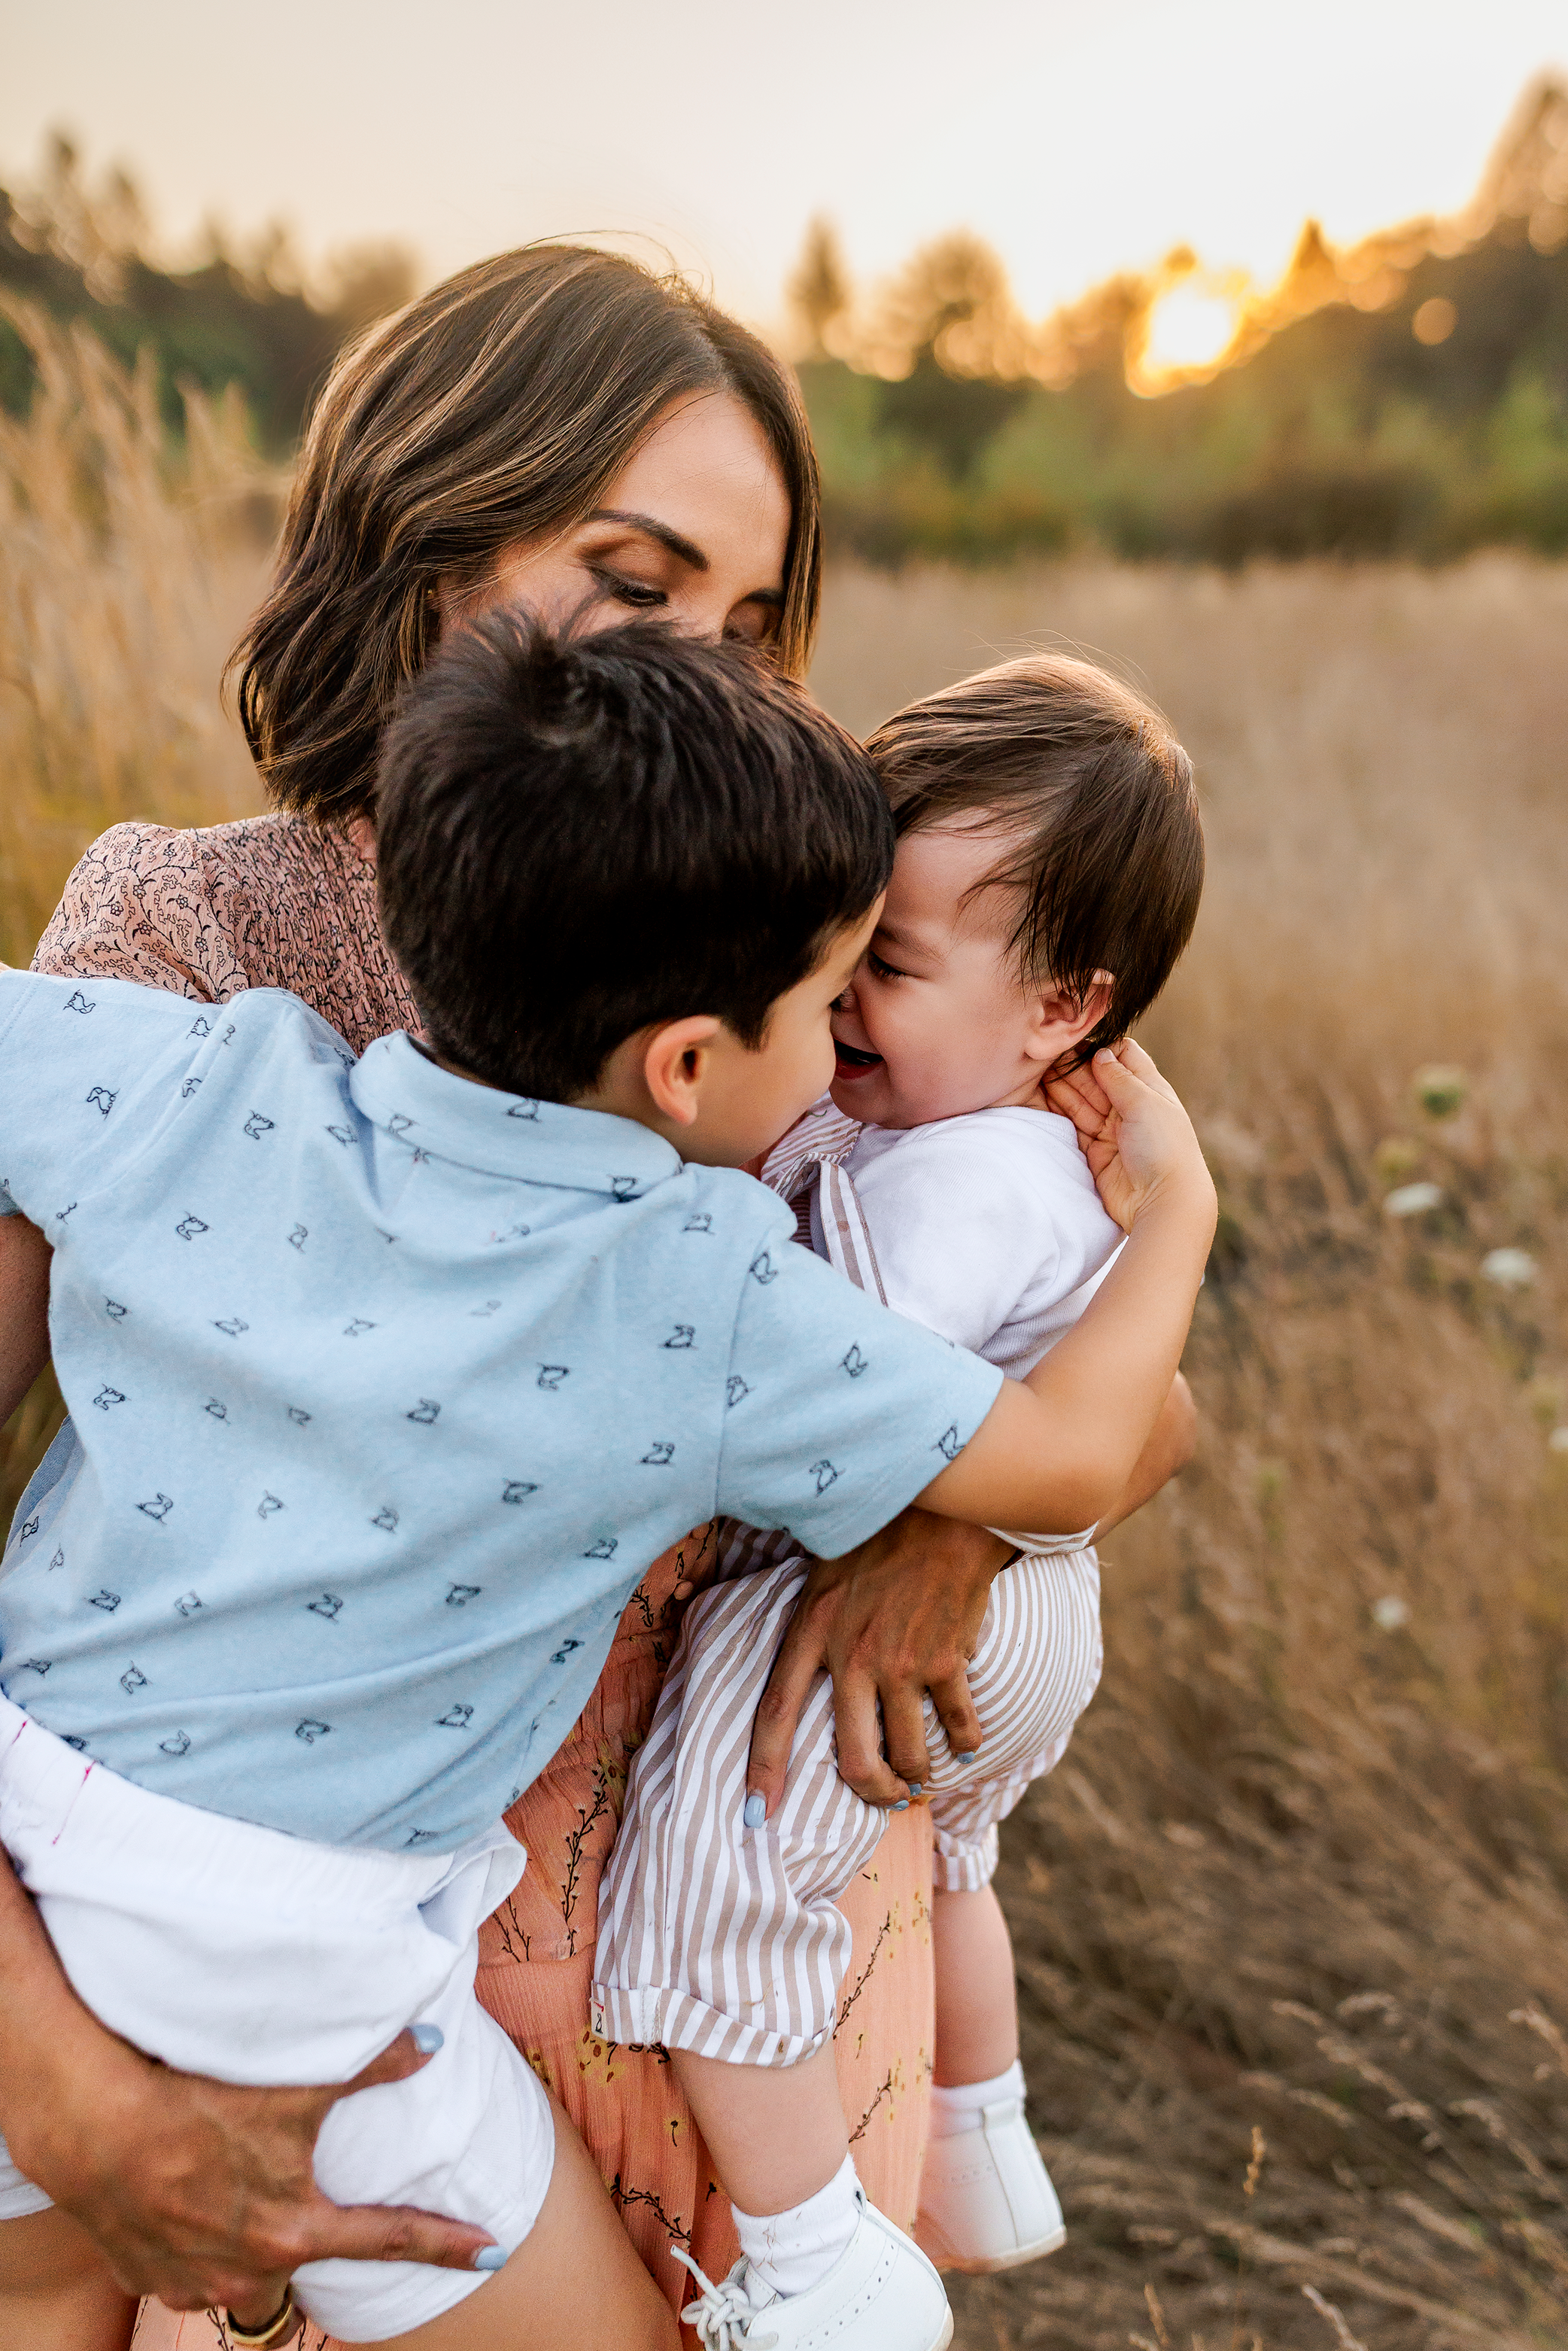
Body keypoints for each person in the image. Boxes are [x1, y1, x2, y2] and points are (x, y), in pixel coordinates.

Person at [0, 242, 1023, 2337]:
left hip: (751, 1985)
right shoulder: (198, 937)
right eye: (636, 583)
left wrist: (967, 1499)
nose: (718, 675)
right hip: (320, 2009)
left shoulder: (802, 933)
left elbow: (1064, 1335)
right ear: (422, 552)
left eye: (756, 625)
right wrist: (54, 2074)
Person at [592, 653, 1203, 2331]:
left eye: (892, 964)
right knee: (949, 1857)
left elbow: (844, 1403)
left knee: (722, 1840)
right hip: (1031, 1589)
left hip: (941, 1582)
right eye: (836, 951)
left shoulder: (970, 1179)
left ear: (1062, 1010)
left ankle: (808, 2262)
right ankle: (976, 2134)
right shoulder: (1003, 1133)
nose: (844, 996)